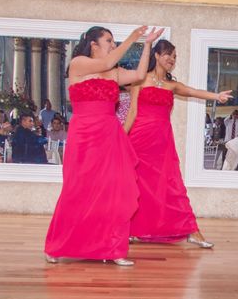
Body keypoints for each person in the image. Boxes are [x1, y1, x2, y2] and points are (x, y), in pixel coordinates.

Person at [45, 25, 164, 266]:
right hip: (84, 135)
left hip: (110, 136)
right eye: (108, 40)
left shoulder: (113, 71)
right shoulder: (78, 64)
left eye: (113, 41)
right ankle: (57, 246)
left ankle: (113, 248)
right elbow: (109, 60)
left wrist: (147, 44)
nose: (112, 44)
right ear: (93, 44)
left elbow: (140, 75)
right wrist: (134, 37)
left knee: (114, 191)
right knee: (77, 189)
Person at [124, 40, 232, 248]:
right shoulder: (139, 80)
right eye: (168, 55)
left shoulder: (172, 85)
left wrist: (216, 96)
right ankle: (131, 229)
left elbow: (193, 92)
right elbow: (132, 113)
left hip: (162, 142)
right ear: (156, 55)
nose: (171, 60)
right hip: (139, 139)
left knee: (171, 185)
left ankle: (192, 231)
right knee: (136, 184)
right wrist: (120, 137)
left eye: (174, 57)